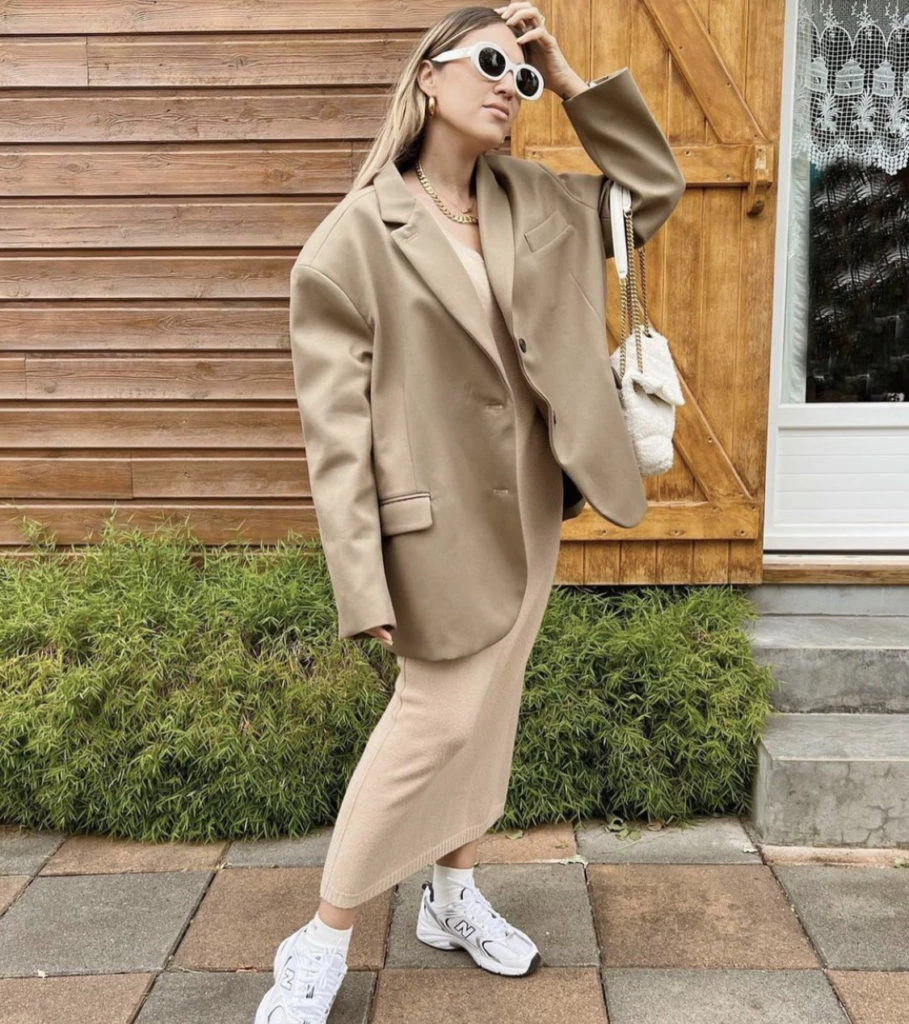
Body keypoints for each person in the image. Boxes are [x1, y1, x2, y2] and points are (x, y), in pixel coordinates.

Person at [255, 4, 684, 1022]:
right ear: (429, 76)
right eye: (492, 61)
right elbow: (335, 438)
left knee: (491, 711)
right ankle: (321, 937)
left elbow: (653, 189)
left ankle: (451, 897)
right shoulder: (351, 243)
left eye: (519, 75)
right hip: (432, 524)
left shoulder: (535, 199)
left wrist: (569, 79)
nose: (509, 84)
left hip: (532, 505)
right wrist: (360, 583)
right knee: (432, 721)